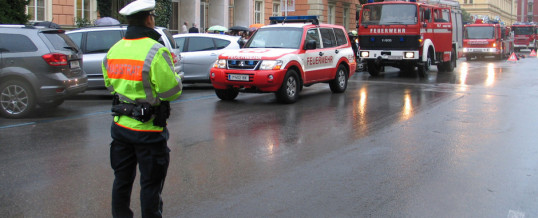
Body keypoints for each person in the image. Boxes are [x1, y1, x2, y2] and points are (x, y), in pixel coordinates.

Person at [101, 0, 183, 217]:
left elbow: (109, 84)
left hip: (120, 128)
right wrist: (176, 78)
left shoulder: (114, 50)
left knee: (121, 180)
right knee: (150, 186)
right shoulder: (155, 51)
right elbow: (170, 92)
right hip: (148, 131)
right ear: (149, 19)